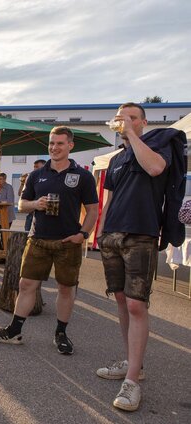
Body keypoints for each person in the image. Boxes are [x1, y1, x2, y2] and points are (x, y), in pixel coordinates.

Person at [95, 103, 186, 412]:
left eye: (132, 117)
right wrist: (101, 232)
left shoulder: (157, 146)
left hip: (141, 233)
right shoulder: (117, 159)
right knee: (121, 300)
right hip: (113, 235)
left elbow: (156, 169)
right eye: (122, 118)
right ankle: (135, 364)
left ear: (143, 122)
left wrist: (132, 135)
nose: (125, 122)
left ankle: (132, 382)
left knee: (136, 303)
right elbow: (109, 198)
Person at [0, 126, 98, 356]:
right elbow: (21, 205)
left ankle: (61, 334)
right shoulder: (37, 175)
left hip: (68, 241)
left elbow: (93, 211)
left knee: (66, 289)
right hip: (38, 239)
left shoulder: (83, 176)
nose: (54, 148)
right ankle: (14, 331)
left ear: (70, 146)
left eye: (59, 143)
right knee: (27, 285)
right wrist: (36, 204)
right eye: (51, 143)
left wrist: (83, 234)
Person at [21, 160, 47, 232]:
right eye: (34, 167)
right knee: (27, 234)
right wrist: (23, 183)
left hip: (42, 215)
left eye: (37, 167)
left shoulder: (48, 179)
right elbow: (21, 196)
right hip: (31, 213)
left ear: (44, 166)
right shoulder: (33, 177)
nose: (34, 169)